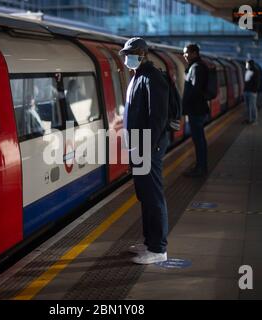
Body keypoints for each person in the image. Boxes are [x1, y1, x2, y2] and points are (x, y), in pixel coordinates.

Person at [119, 37, 169, 264]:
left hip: (147, 147)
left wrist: (146, 148)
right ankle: (149, 242)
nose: (127, 57)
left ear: (143, 53)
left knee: (153, 197)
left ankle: (158, 250)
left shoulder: (152, 77)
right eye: (126, 53)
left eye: (131, 53)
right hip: (139, 146)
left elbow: (157, 117)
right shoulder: (139, 76)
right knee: (145, 196)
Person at [182, 43, 209, 177]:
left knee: (198, 140)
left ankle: (201, 167)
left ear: (194, 53)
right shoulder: (197, 66)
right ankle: (200, 165)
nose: (184, 55)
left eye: (186, 52)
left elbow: (194, 90)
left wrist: (184, 104)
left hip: (196, 109)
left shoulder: (197, 68)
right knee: (199, 139)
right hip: (197, 108)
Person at [243, 59, 260, 125]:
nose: (246, 65)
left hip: (252, 92)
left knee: (252, 106)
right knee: (247, 106)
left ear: (250, 64)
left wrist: (254, 90)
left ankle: (254, 120)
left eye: (247, 64)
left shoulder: (256, 72)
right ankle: (249, 119)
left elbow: (257, 82)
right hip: (246, 91)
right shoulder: (247, 71)